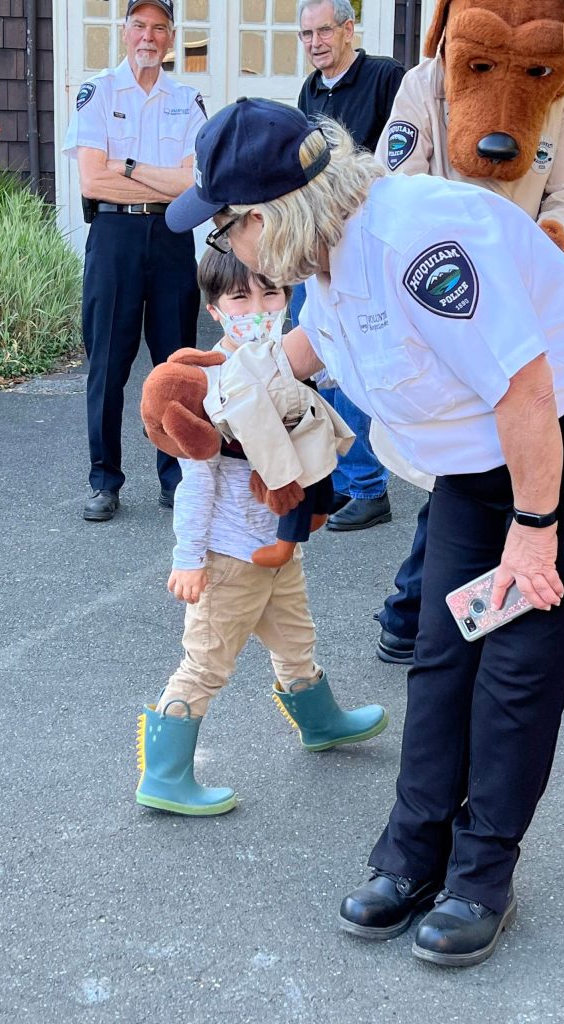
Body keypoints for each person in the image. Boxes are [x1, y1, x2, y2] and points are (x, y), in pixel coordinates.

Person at [163, 98, 564, 964]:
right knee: (443, 646)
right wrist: (228, 383)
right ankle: (414, 851)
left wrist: (536, 530)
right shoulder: (323, 249)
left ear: (266, 217)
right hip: (483, 455)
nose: (221, 249)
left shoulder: (421, 247)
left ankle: (481, 876)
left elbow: (525, 392)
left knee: (517, 662)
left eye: (222, 231)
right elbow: (322, 336)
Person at [371, 0, 564, 667]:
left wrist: (553, 242)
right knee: (465, 471)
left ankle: (488, 614)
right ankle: (411, 610)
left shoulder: (562, 81)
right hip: (450, 306)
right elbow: (394, 187)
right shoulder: (425, 84)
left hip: (530, 305)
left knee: (523, 470)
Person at [134, 248, 388, 817]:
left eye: (270, 293)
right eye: (240, 297)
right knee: (205, 662)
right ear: (216, 309)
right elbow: (194, 483)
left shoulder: (291, 363)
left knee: (296, 642)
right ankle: (166, 775)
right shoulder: (208, 383)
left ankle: (321, 723)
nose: (259, 307)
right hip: (228, 557)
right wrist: (189, 558)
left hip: (281, 549)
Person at [63, 0, 204, 522]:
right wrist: (155, 177)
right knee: (108, 364)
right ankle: (104, 480)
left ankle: (178, 477)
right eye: (139, 25)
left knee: (178, 365)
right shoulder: (97, 92)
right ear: (124, 32)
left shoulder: (187, 100)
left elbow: (194, 183)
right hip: (115, 236)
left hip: (170, 237)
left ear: (171, 37)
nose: (149, 36)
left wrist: (125, 164)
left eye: (159, 28)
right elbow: (92, 180)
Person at [293, 0, 404, 532]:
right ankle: (339, 480)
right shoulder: (310, 92)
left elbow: (401, 159)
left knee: (356, 366)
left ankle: (369, 487)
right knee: (322, 364)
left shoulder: (385, 78)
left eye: (323, 31)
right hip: (319, 246)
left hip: (364, 249)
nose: (315, 42)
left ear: (347, 29)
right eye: (306, 34)